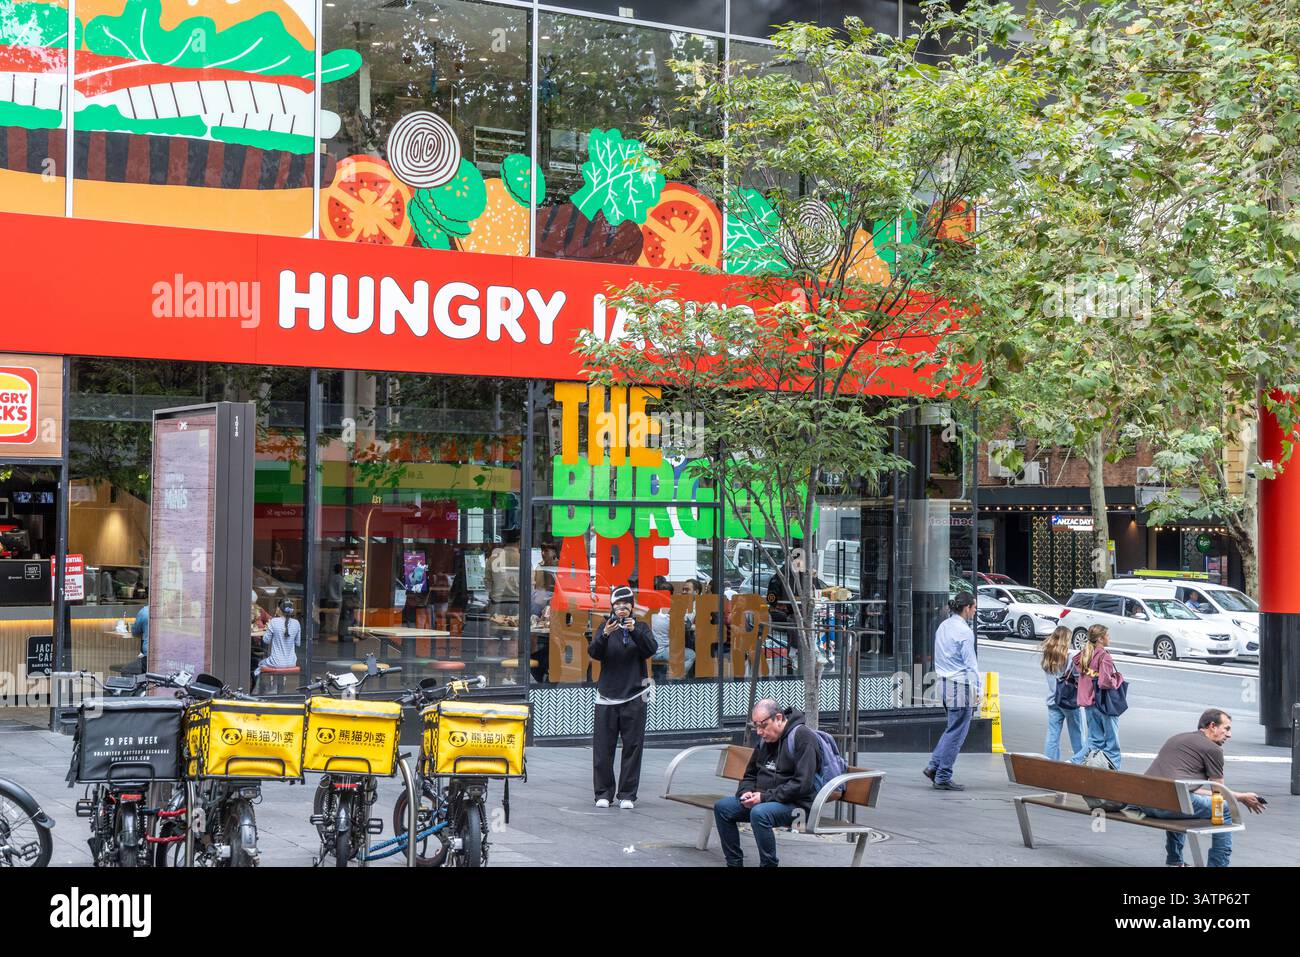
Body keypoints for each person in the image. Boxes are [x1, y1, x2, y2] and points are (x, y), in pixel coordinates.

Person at [1138, 709, 1265, 866]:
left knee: (1180, 799)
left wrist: (1239, 796)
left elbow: (1191, 788)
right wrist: (1239, 798)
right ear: (1212, 726)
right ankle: (1218, 865)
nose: (1229, 735)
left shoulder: (1177, 738)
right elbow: (1218, 792)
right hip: (1171, 806)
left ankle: (1175, 862)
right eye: (1227, 728)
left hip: (1146, 803)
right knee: (1225, 809)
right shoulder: (1213, 749)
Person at [712, 699, 818, 867]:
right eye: (756, 726)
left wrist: (763, 797)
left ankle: (768, 865)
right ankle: (734, 863)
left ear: (778, 718)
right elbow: (750, 774)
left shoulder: (803, 737)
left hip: (798, 807)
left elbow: (802, 784)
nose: (759, 732)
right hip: (766, 801)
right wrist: (745, 791)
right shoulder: (765, 741)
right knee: (723, 808)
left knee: (760, 813)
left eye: (763, 725)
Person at [588, 585, 657, 810]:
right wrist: (606, 634)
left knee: (633, 746)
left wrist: (634, 630)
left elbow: (650, 649)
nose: (621, 608)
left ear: (632, 606)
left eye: (625, 604)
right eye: (617, 604)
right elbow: (594, 653)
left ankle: (627, 794)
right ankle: (603, 793)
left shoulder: (642, 627)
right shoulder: (605, 627)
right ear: (611, 606)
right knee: (603, 748)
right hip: (607, 696)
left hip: (635, 695)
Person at [924, 592, 981, 790]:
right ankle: (943, 775)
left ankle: (934, 767)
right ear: (967, 608)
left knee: (951, 730)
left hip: (943, 683)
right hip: (959, 685)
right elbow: (971, 665)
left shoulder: (944, 626)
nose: (975, 611)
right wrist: (977, 690)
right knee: (956, 733)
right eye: (974, 608)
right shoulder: (964, 632)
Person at [1071, 624, 1124, 768]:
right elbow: (1105, 682)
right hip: (1104, 704)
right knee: (1112, 743)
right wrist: (1118, 679)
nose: (1109, 638)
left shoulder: (1084, 654)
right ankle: (1114, 771)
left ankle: (1074, 763)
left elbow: (1077, 674)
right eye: (1107, 635)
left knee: (1095, 741)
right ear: (1100, 638)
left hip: (1088, 704)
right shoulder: (1104, 656)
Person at [1040, 625, 1084, 761]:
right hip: (1068, 699)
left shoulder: (1048, 654)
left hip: (1053, 699)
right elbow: (1077, 675)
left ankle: (1049, 763)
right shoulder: (1070, 656)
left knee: (1052, 735)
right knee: (1076, 733)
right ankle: (1080, 761)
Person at [255, 600, 301, 691]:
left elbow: (266, 640)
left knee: (260, 663)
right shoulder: (296, 623)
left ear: (279, 610)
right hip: (292, 662)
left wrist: (271, 633)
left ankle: (261, 690)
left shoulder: (274, 622)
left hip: (276, 662)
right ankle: (278, 689)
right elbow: (298, 643)